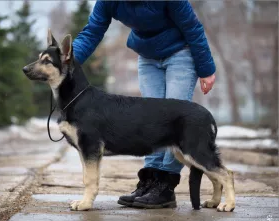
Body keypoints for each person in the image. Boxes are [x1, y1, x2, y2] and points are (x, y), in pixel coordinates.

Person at [72, 1, 216, 209]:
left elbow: (192, 27)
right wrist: (67, 61)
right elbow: (92, 31)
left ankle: (165, 186)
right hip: (148, 57)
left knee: (173, 121)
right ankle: (149, 182)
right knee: (149, 121)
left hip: (180, 54)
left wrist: (206, 68)